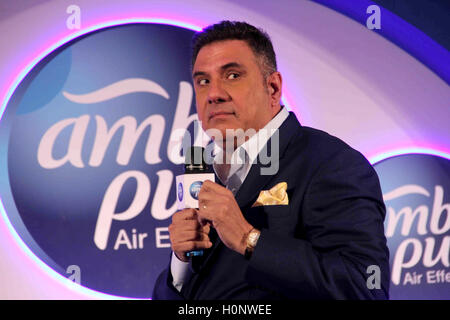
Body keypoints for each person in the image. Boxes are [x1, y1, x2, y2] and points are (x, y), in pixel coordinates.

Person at [152, 21, 390, 299]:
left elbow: (365, 286)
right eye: (203, 81)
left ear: (273, 88)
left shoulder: (331, 163)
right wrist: (180, 264)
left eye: (232, 75)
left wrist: (249, 239)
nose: (214, 94)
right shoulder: (202, 170)